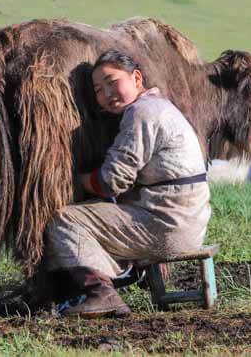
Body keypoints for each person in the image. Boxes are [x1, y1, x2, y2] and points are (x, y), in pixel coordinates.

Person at [42, 50, 211, 318]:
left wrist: (75, 179)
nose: (107, 93)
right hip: (186, 219)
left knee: (63, 219)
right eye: (98, 89)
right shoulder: (161, 108)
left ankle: (100, 293)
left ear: (137, 77)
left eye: (112, 81)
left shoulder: (142, 113)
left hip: (165, 224)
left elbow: (111, 181)